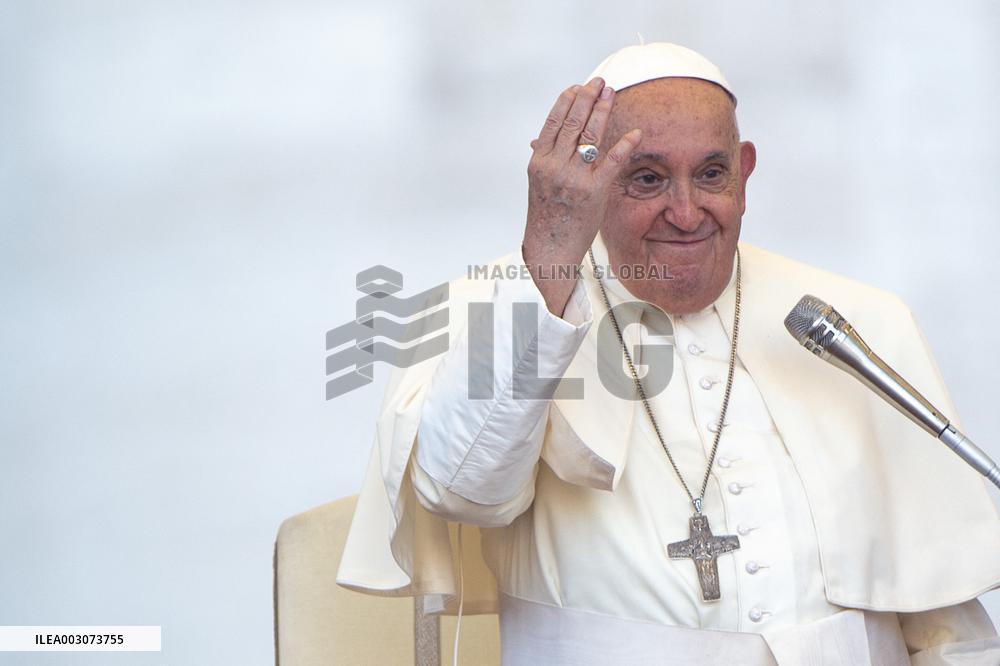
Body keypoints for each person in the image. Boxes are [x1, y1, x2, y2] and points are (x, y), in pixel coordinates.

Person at [336, 43, 1000, 664]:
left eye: (710, 174)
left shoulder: (854, 322)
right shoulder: (499, 304)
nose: (686, 212)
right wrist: (549, 252)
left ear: (744, 172)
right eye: (647, 179)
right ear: (587, 185)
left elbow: (942, 614)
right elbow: (464, 492)